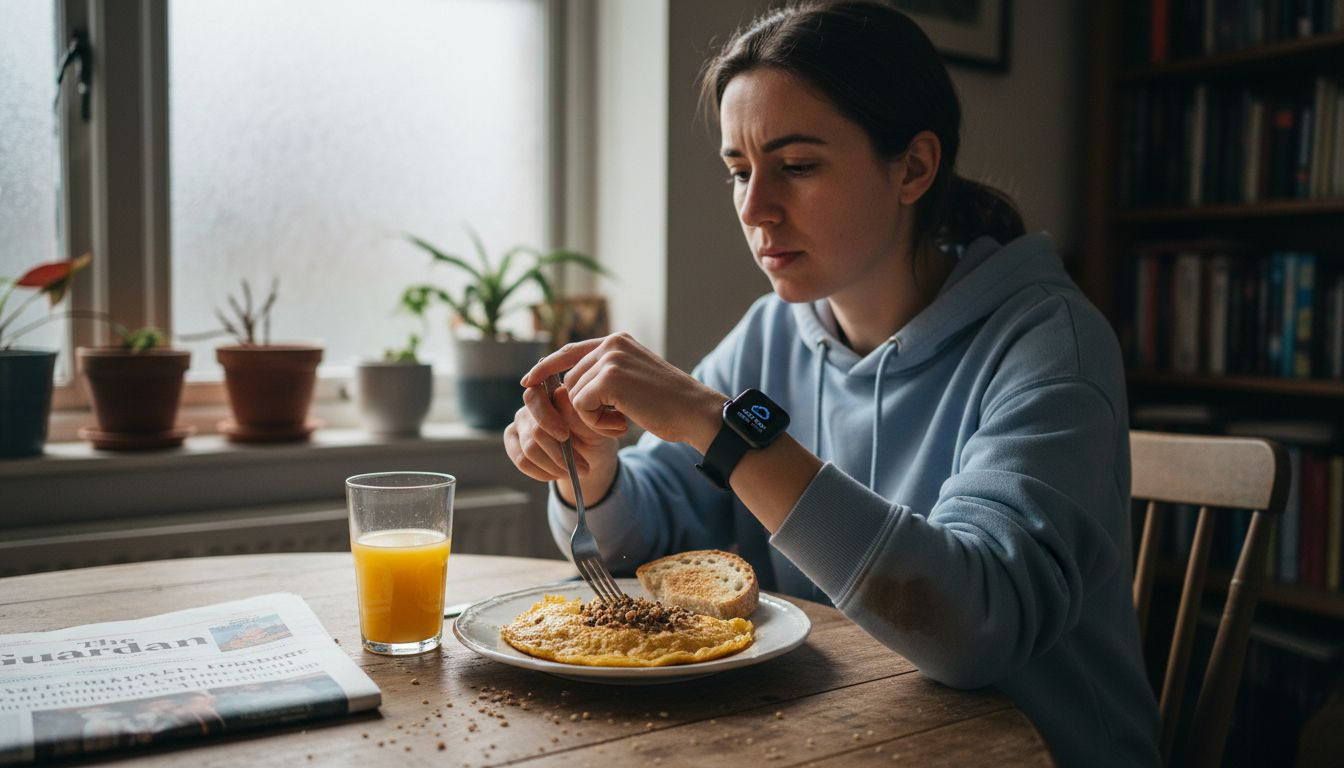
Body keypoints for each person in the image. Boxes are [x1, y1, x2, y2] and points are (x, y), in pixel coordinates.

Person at [503, 2, 1160, 765]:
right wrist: (596, 475)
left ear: (913, 166)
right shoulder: (774, 333)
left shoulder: (1051, 343)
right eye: (739, 172)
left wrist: (722, 426)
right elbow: (656, 533)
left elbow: (975, 629)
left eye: (798, 166)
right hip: (850, 738)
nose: (755, 209)